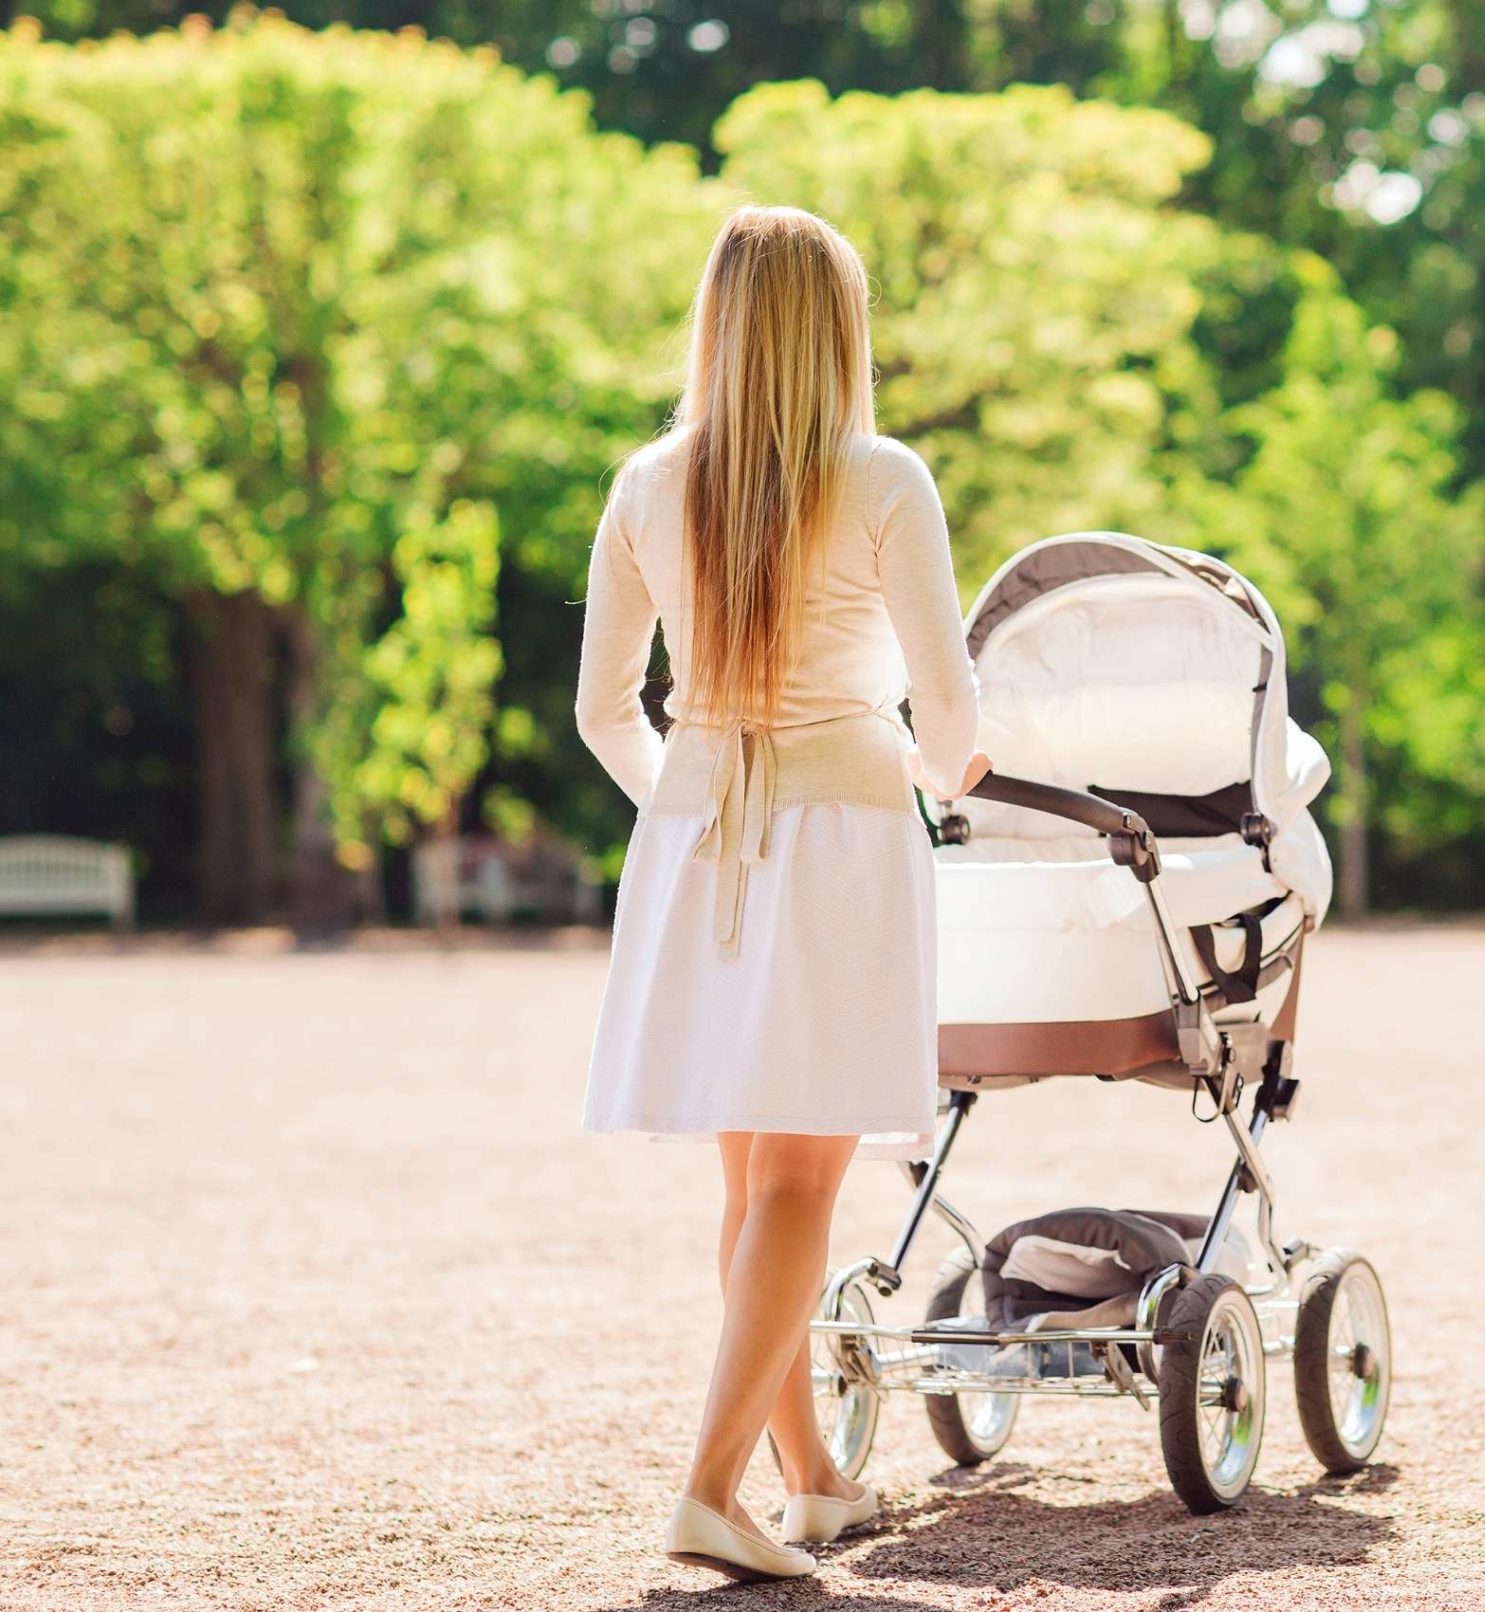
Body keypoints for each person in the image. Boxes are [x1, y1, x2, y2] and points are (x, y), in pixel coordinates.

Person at [572, 205, 986, 1584]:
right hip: (842, 837)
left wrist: (698, 815)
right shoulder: (883, 481)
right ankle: (707, 1488)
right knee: (805, 1178)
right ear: (843, 332)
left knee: (753, 1184)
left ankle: (809, 1482)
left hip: (699, 840)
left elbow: (602, 714)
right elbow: (949, 719)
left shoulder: (644, 485)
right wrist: (954, 769)